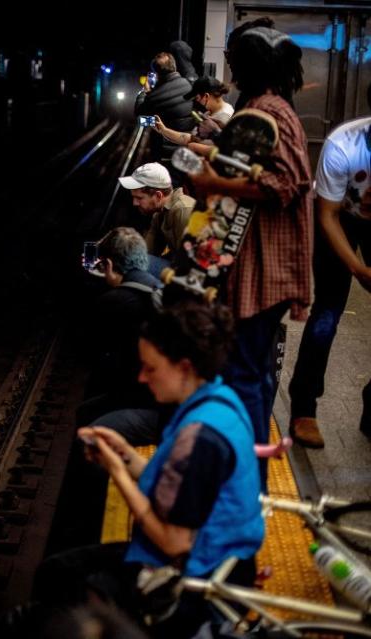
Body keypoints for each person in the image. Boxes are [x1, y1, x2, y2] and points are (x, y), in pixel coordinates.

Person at [35, 303, 264, 638]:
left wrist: (117, 472)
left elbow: (173, 542)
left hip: (199, 575)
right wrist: (126, 455)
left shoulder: (200, 437)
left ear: (184, 368)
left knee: (56, 577)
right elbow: (174, 483)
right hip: (229, 557)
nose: (142, 377)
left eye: (150, 368)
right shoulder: (217, 399)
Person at [187, 25, 312, 474]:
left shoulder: (271, 111)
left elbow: (290, 183)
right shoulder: (265, 107)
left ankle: (244, 481)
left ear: (250, 65)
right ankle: (249, 479)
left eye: (235, 57)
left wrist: (212, 182)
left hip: (267, 266)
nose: (230, 65)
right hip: (258, 264)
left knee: (243, 376)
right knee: (250, 374)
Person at [287, 107, 371, 447]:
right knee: (327, 312)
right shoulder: (343, 144)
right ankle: (303, 407)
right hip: (340, 218)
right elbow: (328, 216)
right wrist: (358, 269)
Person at [77, 227, 162, 440]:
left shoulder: (113, 301)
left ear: (109, 265)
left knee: (88, 420)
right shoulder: (159, 287)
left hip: (156, 407)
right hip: (174, 398)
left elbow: (89, 355)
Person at [117, 163, 195, 278]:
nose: (134, 203)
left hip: (191, 276)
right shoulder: (159, 214)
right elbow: (147, 253)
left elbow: (190, 264)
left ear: (158, 196)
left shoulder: (183, 211)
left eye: (139, 198)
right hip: (178, 267)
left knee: (131, 265)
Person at [135, 52, 194, 158]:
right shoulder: (189, 85)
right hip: (189, 146)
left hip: (166, 153)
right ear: (174, 66)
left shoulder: (154, 96)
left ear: (157, 74)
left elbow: (140, 118)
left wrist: (144, 92)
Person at [154, 76, 234, 146]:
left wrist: (165, 131)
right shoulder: (211, 112)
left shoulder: (223, 118)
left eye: (197, 98)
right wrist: (164, 130)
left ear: (206, 96)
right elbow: (190, 138)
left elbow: (192, 141)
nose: (196, 102)